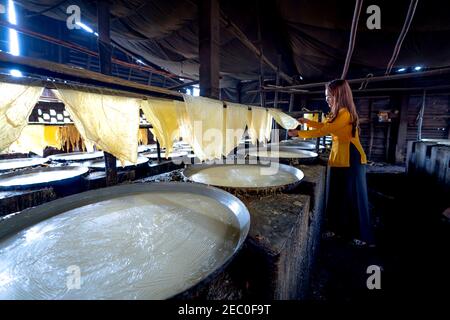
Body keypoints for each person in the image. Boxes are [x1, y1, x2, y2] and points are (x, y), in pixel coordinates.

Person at [288, 79, 375, 247]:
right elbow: (325, 125)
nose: (327, 100)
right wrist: (307, 122)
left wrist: (299, 134)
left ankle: (360, 235)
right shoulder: (337, 113)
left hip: (351, 157)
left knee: (352, 197)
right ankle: (337, 229)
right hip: (339, 156)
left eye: (330, 96)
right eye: (326, 96)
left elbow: (324, 130)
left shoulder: (345, 113)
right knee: (337, 194)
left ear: (340, 96)